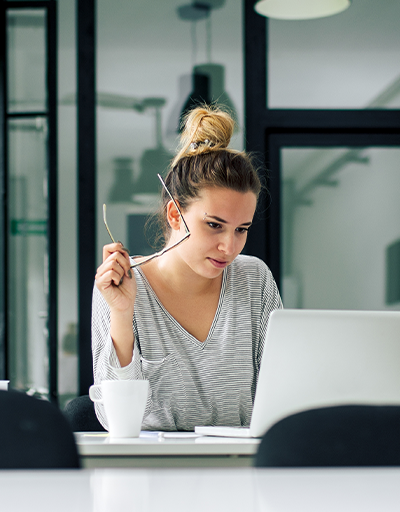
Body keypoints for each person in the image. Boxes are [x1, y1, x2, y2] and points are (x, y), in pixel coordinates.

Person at [92, 105, 282, 431]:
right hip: (153, 462)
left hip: (240, 460)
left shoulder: (255, 279)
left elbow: (281, 394)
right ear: (175, 215)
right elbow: (115, 420)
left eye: (242, 229)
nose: (229, 247)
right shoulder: (121, 283)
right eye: (214, 225)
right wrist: (122, 314)